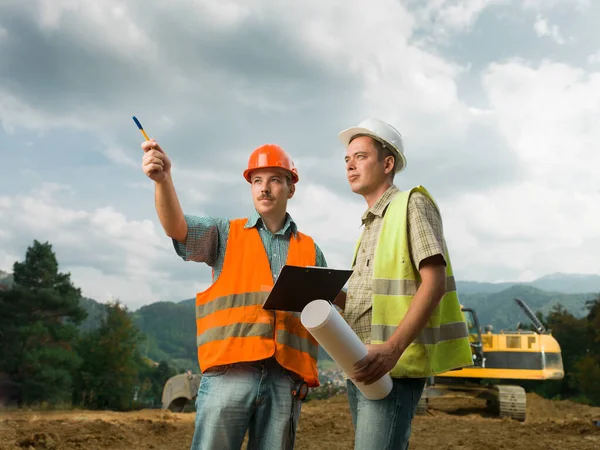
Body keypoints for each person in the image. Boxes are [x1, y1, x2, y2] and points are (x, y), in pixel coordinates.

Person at [141, 139, 329, 450]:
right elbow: (178, 228)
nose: (264, 188)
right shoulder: (225, 233)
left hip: (285, 382)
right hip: (229, 377)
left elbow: (327, 310)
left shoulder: (310, 250)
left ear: (291, 188)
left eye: (274, 180)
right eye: (257, 180)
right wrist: (163, 180)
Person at [335, 118, 473, 450]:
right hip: (362, 363)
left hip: (393, 366)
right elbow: (367, 300)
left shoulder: (412, 204)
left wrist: (392, 350)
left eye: (361, 156)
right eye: (347, 159)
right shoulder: (369, 225)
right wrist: (315, 294)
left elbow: (434, 283)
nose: (350, 165)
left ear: (388, 163)